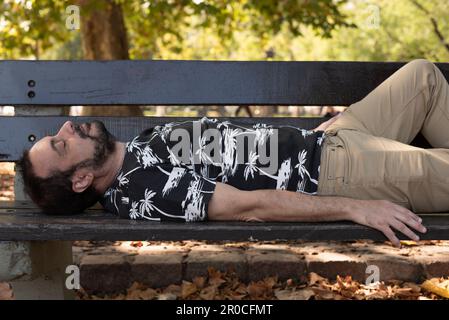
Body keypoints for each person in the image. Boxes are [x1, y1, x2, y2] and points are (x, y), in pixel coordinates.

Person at [19, 59, 449, 247]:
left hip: (328, 139)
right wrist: (356, 207)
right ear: (79, 179)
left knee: (423, 77)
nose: (67, 127)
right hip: (338, 172)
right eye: (61, 143)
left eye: (59, 132)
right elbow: (254, 205)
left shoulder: (137, 151)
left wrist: (314, 136)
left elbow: (240, 151)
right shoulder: (149, 192)